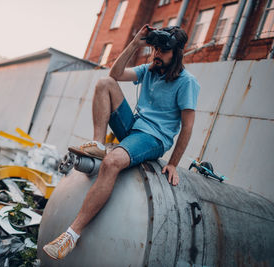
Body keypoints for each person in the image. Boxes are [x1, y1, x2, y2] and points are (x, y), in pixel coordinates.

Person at [43, 24, 200, 260]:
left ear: (176, 53)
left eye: (162, 51)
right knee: (104, 83)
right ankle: (97, 143)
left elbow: (187, 127)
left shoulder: (187, 82)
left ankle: (72, 235)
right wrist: (136, 43)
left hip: (154, 137)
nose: (156, 54)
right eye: (155, 49)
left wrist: (174, 163)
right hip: (134, 126)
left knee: (112, 161)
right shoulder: (149, 69)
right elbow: (115, 74)